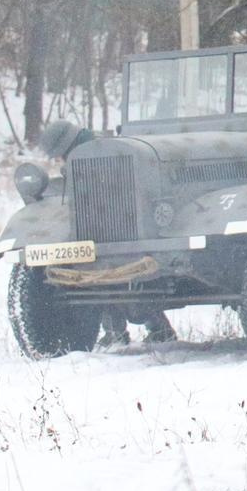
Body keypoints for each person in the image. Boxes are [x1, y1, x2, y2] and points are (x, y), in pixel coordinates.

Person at [39, 119, 173, 345]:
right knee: (113, 279)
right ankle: (150, 330)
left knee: (105, 281)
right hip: (119, 226)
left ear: (64, 147)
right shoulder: (103, 148)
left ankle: (119, 332)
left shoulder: (89, 155)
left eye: (60, 155)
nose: (60, 160)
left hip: (103, 226)